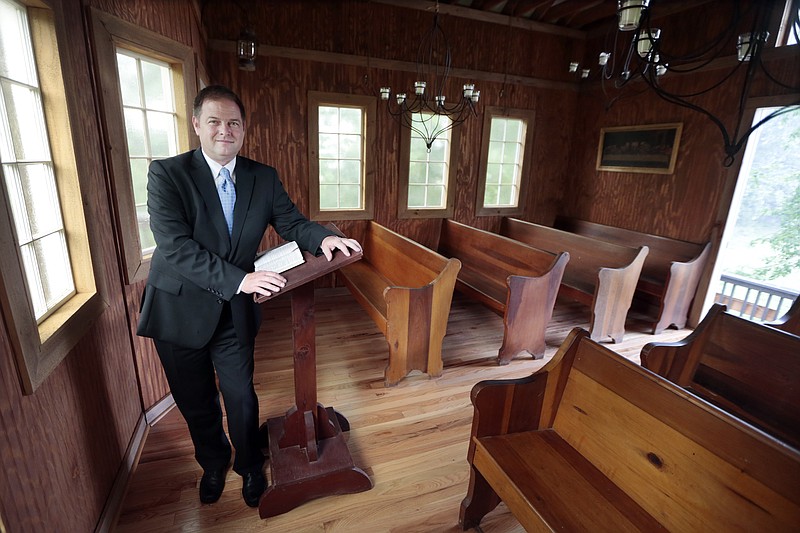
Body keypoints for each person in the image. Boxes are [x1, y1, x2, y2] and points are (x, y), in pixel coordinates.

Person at [136, 85, 361, 508]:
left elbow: (293, 221)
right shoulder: (166, 174)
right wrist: (242, 279)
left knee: (240, 395)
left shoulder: (263, 176)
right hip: (179, 310)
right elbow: (175, 246)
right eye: (215, 122)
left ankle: (251, 466)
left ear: (244, 129)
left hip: (232, 312)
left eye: (234, 123)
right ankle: (214, 463)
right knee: (196, 399)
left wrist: (326, 239)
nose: (225, 130)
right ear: (197, 125)